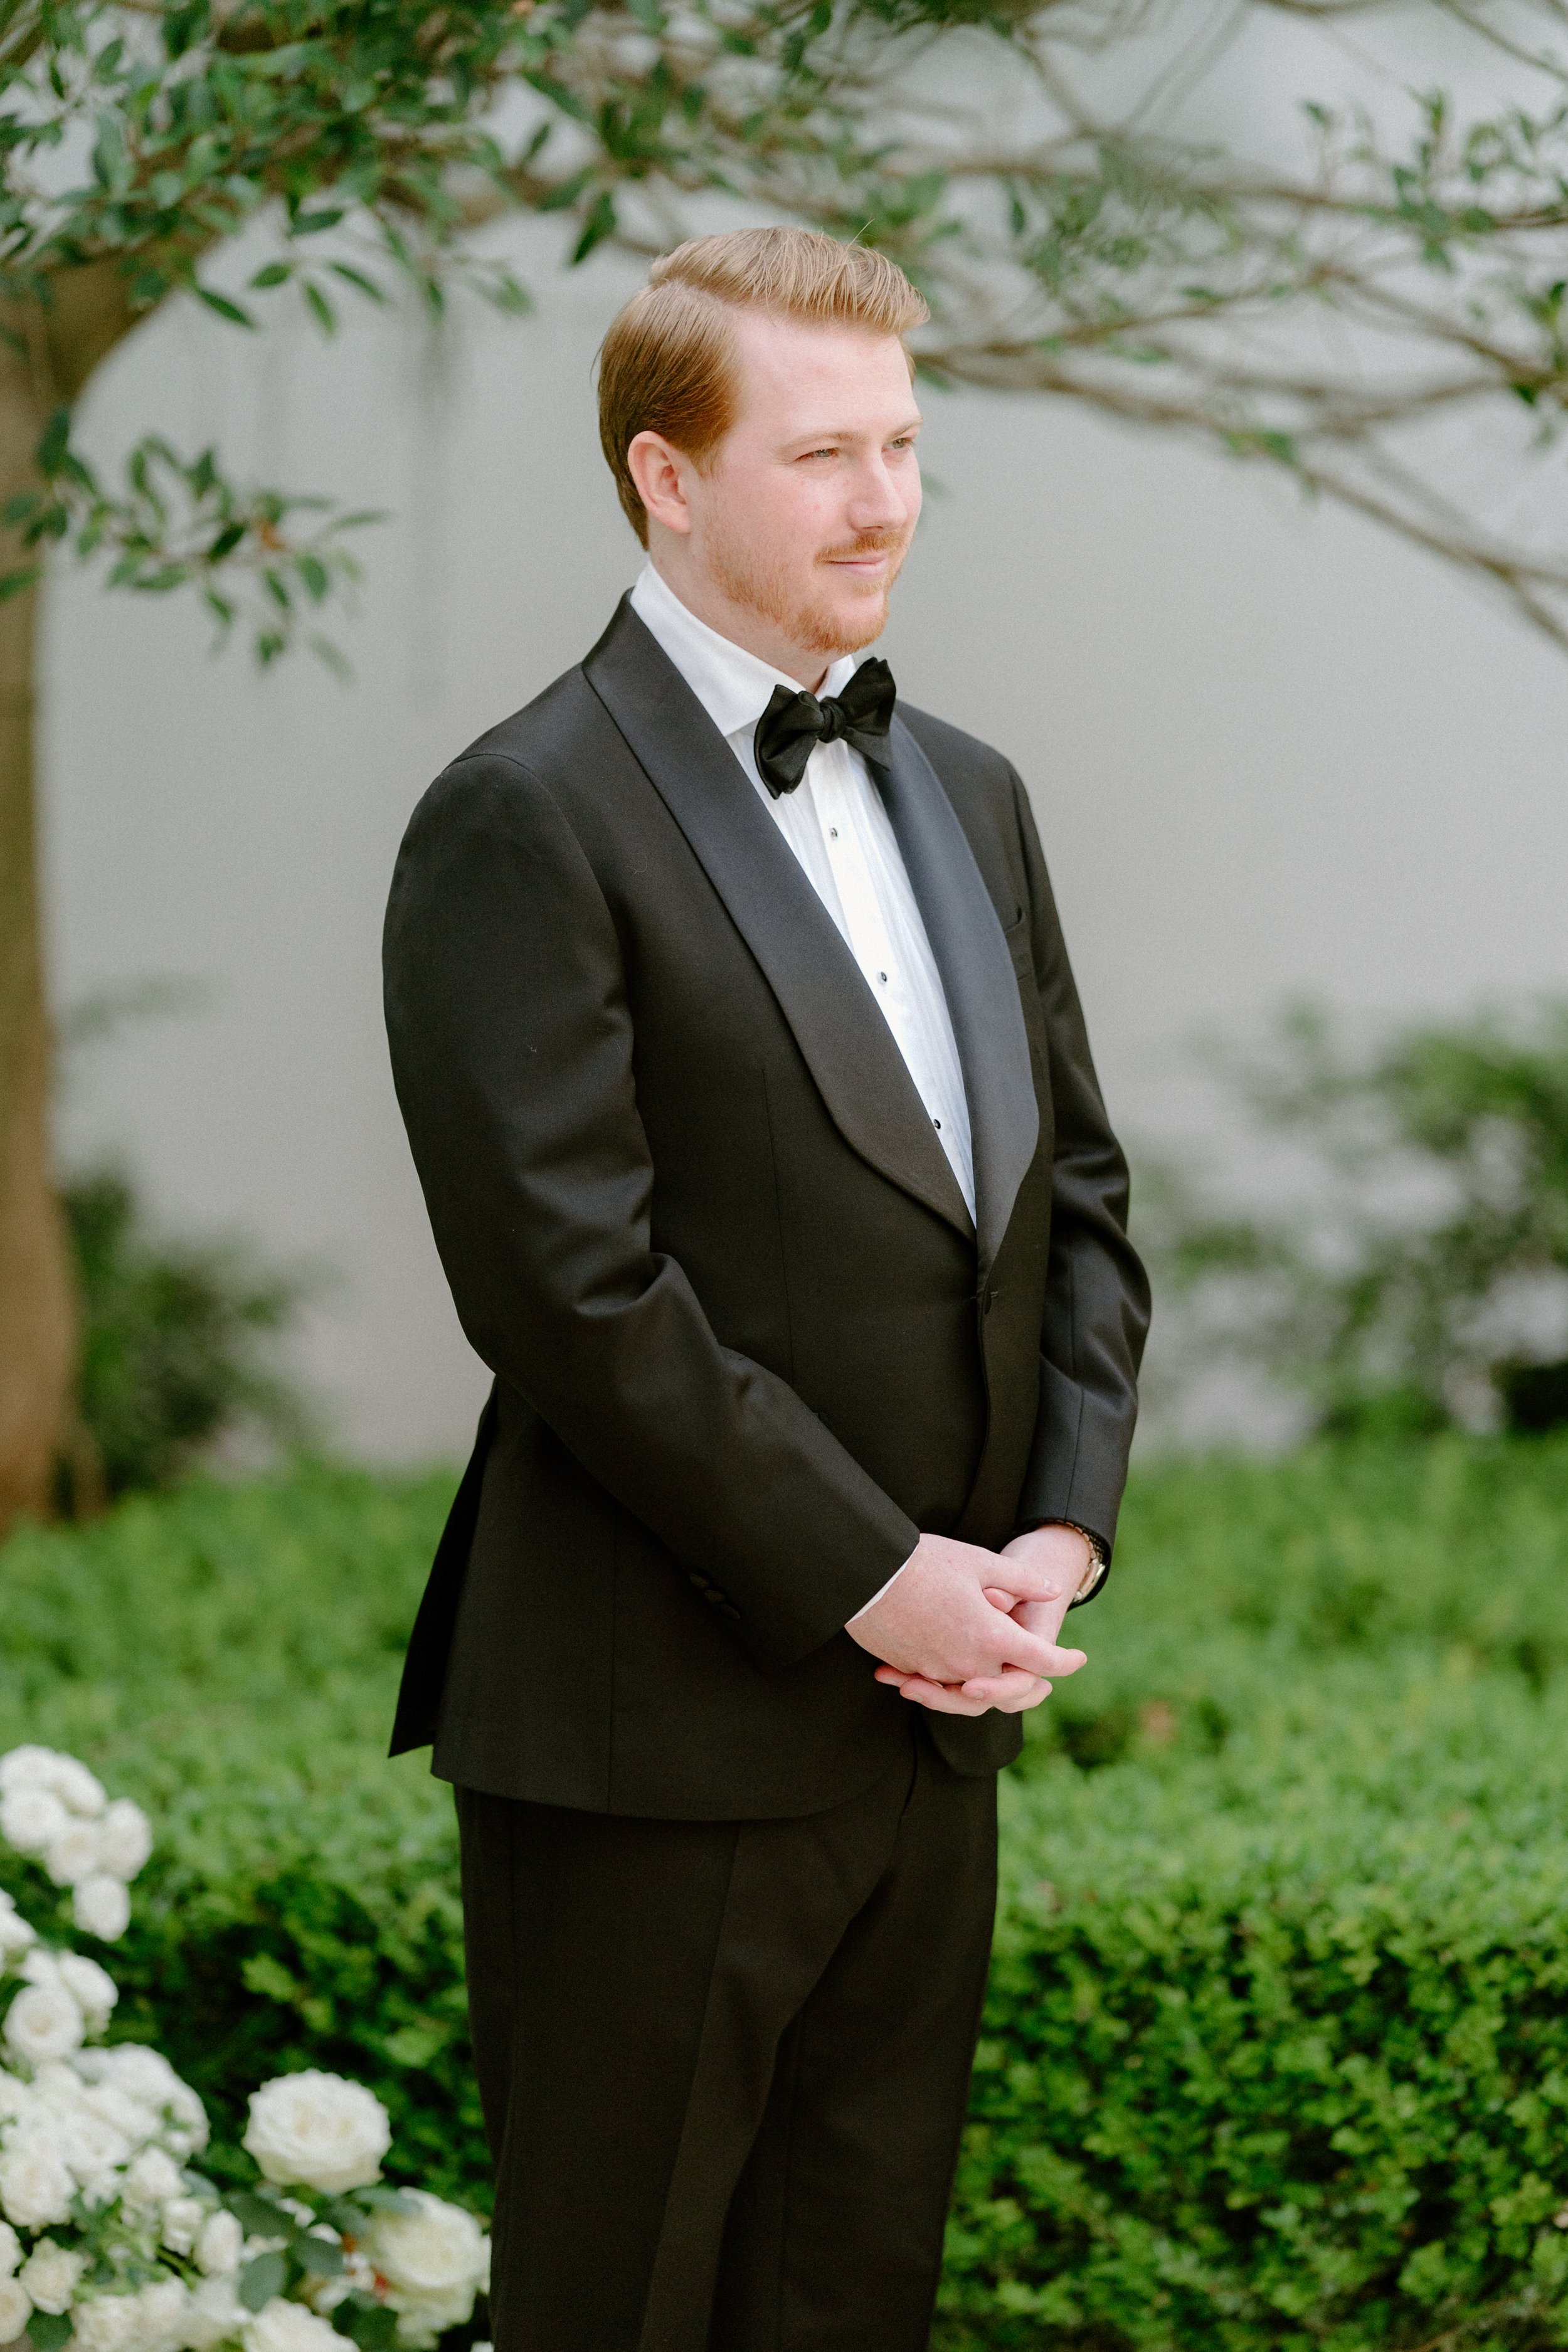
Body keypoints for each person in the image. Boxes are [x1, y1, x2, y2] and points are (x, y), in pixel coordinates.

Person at [382, 225, 1149, 2352]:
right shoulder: (520, 816)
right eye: (821, 452)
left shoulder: (968, 791)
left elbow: (1072, 1198)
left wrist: (1051, 1544)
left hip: (935, 1735)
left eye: (903, 443)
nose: (883, 499)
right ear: (664, 475)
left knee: (848, 2305)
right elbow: (567, 1288)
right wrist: (867, 1573)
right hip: (650, 1734)